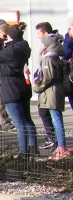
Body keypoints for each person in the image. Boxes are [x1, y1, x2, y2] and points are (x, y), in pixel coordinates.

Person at [0, 23, 36, 157]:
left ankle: (23, 152)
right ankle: (33, 148)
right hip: (22, 86)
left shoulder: (12, 51)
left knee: (19, 122)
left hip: (11, 89)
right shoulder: (22, 47)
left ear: (10, 37)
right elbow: (0, 54)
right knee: (27, 120)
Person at [32, 31, 68, 161]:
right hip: (57, 91)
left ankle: (62, 147)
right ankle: (60, 147)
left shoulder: (48, 58)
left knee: (56, 119)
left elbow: (47, 78)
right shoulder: (56, 57)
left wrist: (37, 88)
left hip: (51, 93)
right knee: (56, 118)